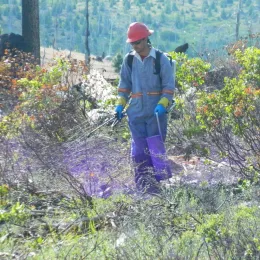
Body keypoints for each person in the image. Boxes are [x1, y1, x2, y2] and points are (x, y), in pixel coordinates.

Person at [115, 22, 175, 193]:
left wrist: (163, 104)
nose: (135, 46)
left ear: (146, 39)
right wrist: (120, 105)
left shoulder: (161, 59)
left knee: (155, 149)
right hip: (135, 113)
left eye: (137, 42)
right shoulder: (129, 60)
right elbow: (124, 87)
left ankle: (159, 188)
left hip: (156, 114)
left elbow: (169, 87)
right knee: (139, 151)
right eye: (132, 43)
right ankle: (142, 187)